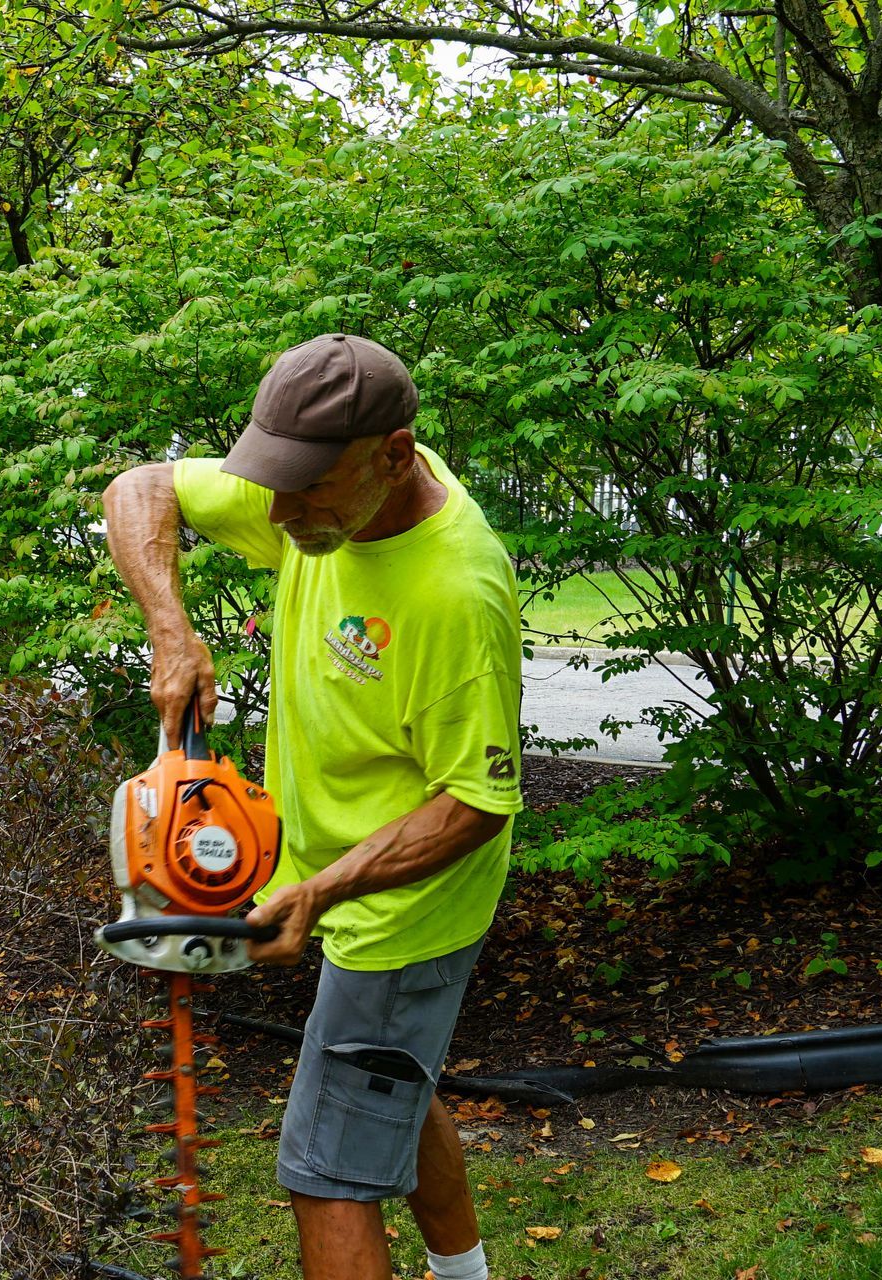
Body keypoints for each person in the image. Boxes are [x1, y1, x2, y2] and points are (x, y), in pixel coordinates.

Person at [102, 333, 523, 1280]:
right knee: (390, 1094)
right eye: (275, 484)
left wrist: (323, 892)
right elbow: (140, 489)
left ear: (395, 454)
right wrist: (171, 627)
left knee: (327, 1173)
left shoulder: (455, 593)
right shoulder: (318, 485)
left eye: (311, 491)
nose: (283, 514)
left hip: (404, 909)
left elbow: (477, 804)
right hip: (328, 872)